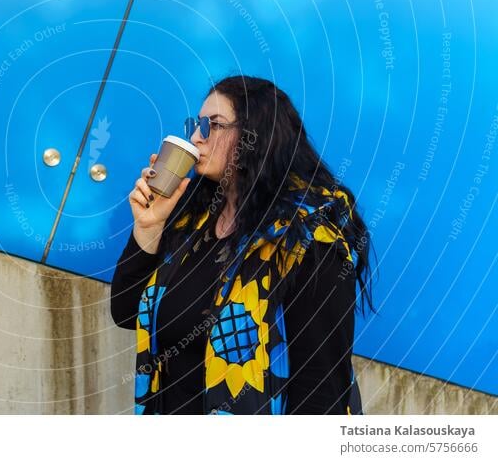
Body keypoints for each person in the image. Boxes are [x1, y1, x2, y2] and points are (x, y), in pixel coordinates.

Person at [110, 75, 375, 415]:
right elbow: (127, 312)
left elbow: (321, 386)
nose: (195, 138)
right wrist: (149, 228)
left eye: (213, 125)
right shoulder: (195, 217)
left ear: (256, 136)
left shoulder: (309, 237)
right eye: (196, 124)